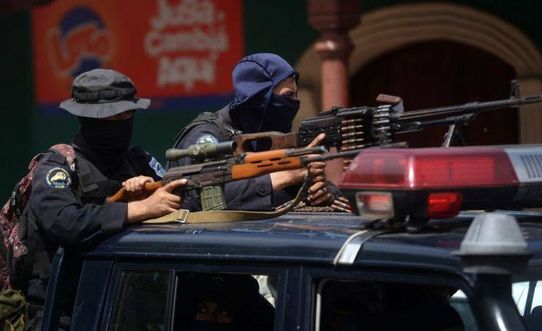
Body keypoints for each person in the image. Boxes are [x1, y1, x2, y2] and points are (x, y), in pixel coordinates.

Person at [26, 68, 187, 329]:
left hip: (128, 304)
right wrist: (137, 209)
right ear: (91, 120)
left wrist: (151, 191)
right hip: (65, 309)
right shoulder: (59, 166)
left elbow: (184, 202)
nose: (125, 122)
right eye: (116, 116)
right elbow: (64, 222)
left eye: (129, 114)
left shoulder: (138, 161)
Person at [168, 53, 335, 211]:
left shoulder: (270, 139)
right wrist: (288, 175)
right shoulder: (206, 137)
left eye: (295, 95)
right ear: (259, 98)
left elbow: (324, 192)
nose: (295, 103)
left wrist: (319, 193)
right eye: (288, 95)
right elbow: (200, 196)